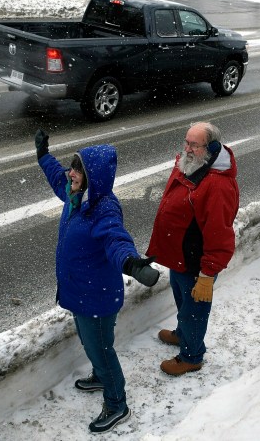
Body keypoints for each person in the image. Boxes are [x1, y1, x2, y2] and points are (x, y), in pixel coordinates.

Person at [35, 131, 159, 433]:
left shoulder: (103, 209)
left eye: (78, 169)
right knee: (92, 343)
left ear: (94, 177)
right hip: (80, 292)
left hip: (96, 297)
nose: (71, 173)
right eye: (72, 167)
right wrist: (43, 156)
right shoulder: (75, 194)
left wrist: (130, 262)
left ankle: (117, 403)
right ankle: (100, 376)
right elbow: (57, 177)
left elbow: (116, 239)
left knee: (102, 350)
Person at [146, 122, 239, 376]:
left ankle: (192, 355)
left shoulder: (217, 185)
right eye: (186, 142)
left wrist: (208, 274)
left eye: (193, 145)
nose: (186, 148)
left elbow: (219, 234)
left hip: (197, 260)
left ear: (209, 148)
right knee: (182, 299)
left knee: (195, 310)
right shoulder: (191, 165)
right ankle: (182, 332)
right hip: (180, 256)